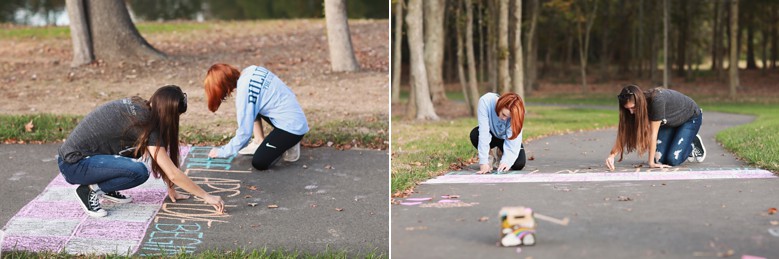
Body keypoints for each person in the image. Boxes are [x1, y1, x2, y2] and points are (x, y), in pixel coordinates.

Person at [58, 85, 225, 217]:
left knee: (138, 152)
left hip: (78, 157)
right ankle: (88, 190)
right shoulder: (146, 124)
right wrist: (206, 196)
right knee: (138, 172)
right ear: (169, 114)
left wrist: (170, 187)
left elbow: (164, 160)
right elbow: (172, 172)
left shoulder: (141, 106)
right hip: (74, 165)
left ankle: (104, 187)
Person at [204, 63, 309, 170]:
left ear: (223, 86)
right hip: (294, 114)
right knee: (254, 107)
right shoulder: (251, 69)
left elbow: (244, 134)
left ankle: (290, 144)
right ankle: (259, 140)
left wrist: (223, 152)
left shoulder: (244, 94)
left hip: (293, 128)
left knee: (259, 162)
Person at [605, 84, 706, 171]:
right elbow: (625, 133)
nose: (631, 112)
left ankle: (692, 144)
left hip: (689, 118)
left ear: (640, 102)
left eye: (633, 108)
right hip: (670, 122)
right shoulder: (632, 111)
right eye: (628, 109)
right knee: (660, 160)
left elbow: (653, 133)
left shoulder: (656, 101)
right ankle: (678, 138)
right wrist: (612, 155)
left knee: (673, 159)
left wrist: (651, 163)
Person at [470, 92, 527, 174]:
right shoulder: (486, 101)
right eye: (503, 114)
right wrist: (484, 161)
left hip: (506, 138)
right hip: (491, 134)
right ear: (500, 105)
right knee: (475, 135)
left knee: (519, 164)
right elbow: (484, 133)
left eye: (508, 117)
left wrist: (506, 161)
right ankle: (491, 156)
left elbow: (513, 139)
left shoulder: (518, 114)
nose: (504, 119)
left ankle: (500, 152)